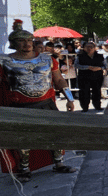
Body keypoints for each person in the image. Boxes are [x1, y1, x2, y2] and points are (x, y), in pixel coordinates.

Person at [0, 21, 77, 181]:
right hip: (20, 106)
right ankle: (25, 168)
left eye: (29, 40)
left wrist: (69, 98)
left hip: (46, 103)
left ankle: (59, 163)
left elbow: (59, 80)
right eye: (22, 41)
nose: (27, 44)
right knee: (23, 138)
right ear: (14, 43)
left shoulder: (47, 59)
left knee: (55, 134)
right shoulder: (4, 61)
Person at [74, 41, 106, 112]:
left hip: (97, 76)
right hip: (84, 77)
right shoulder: (80, 56)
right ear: (84, 48)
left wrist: (100, 68)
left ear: (94, 48)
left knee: (97, 91)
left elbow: (105, 65)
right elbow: (76, 65)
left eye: (91, 47)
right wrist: (87, 67)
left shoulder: (100, 56)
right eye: (87, 47)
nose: (89, 48)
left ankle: (97, 106)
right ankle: (84, 107)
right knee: (84, 92)